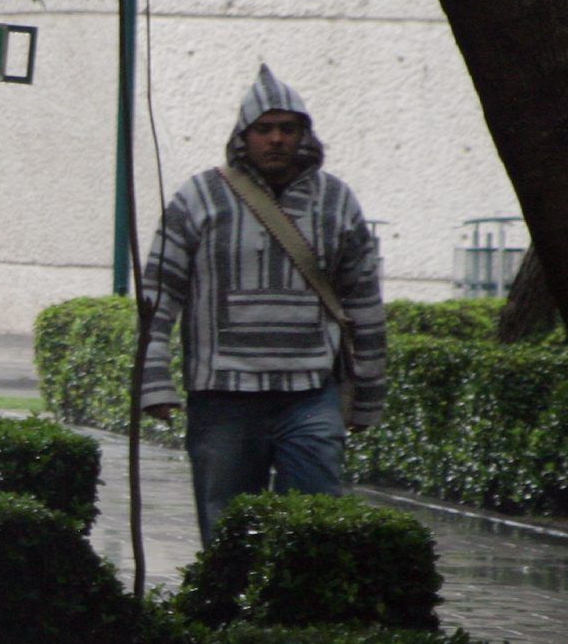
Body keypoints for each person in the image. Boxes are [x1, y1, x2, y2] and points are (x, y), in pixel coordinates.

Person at [140, 63, 387, 541]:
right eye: (264, 129)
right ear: (243, 135)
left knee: (316, 530)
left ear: (304, 136)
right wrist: (153, 384)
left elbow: (365, 305)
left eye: (287, 129)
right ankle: (228, 616)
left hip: (311, 395)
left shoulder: (337, 202)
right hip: (223, 399)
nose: (276, 139)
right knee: (229, 534)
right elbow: (158, 293)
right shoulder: (198, 198)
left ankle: (301, 617)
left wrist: (368, 397)